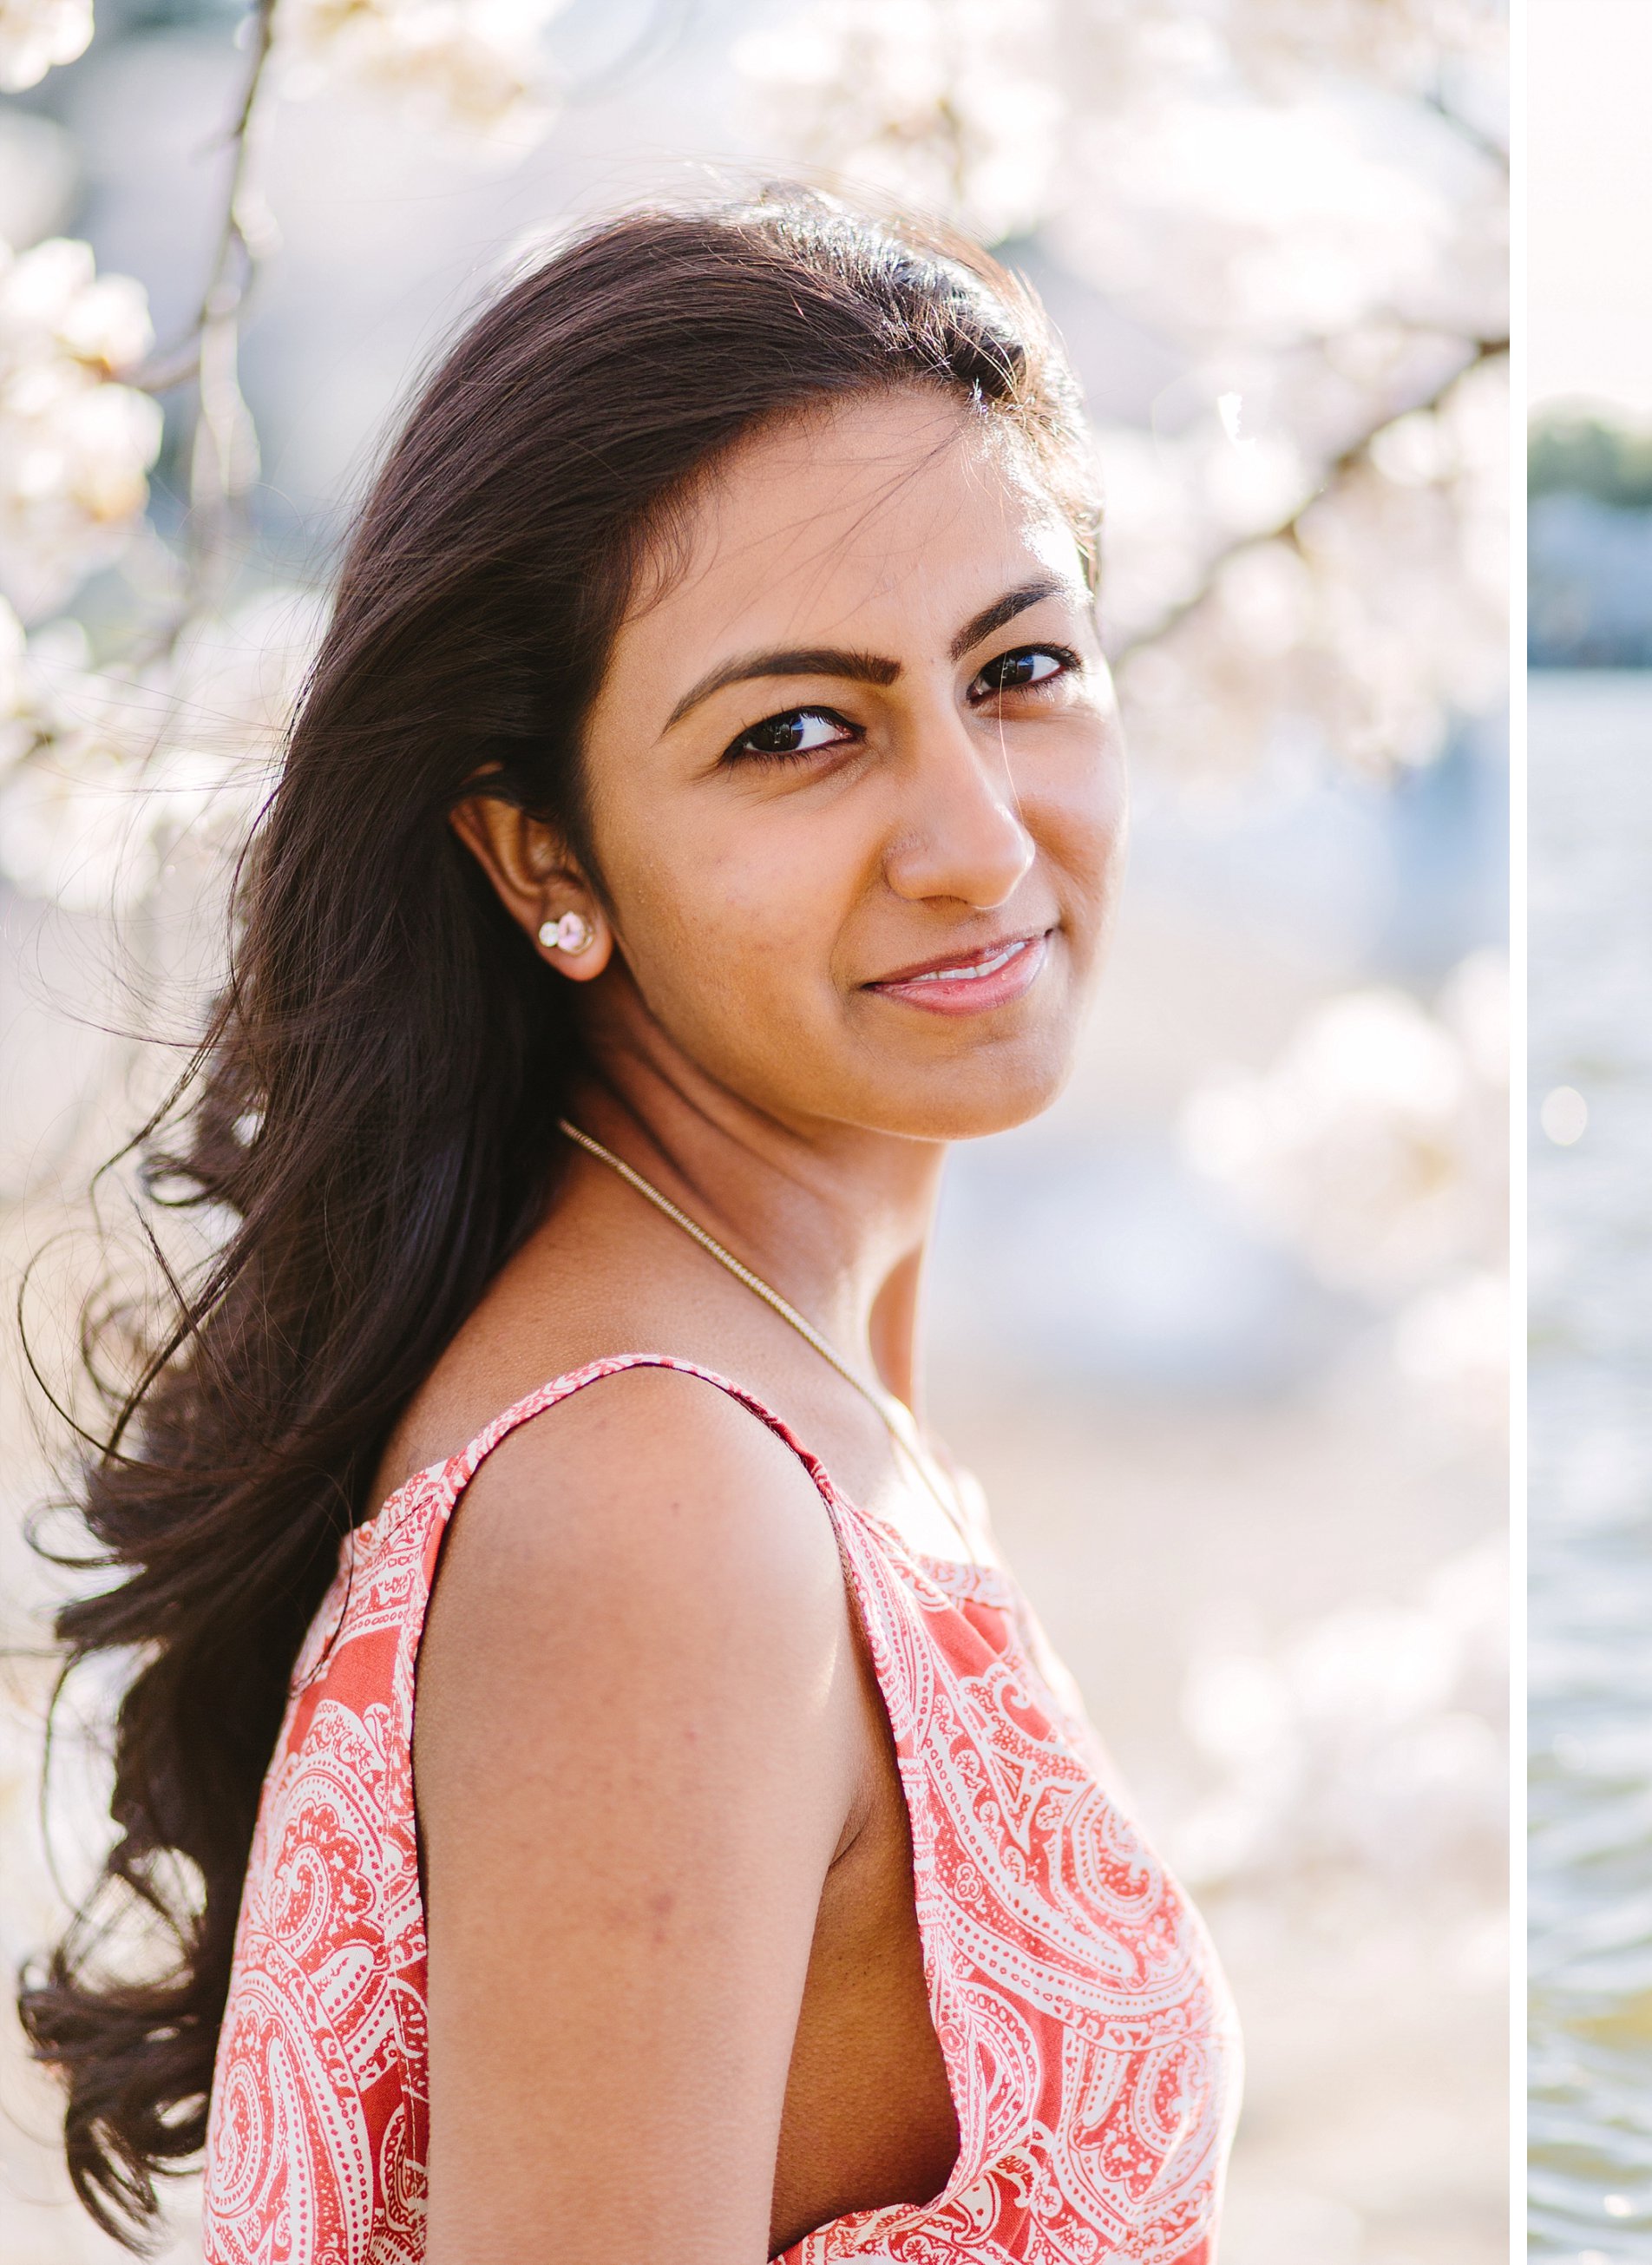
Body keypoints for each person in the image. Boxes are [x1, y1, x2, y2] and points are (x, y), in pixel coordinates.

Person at [21, 194, 1236, 2265]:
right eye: (795, 732)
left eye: (1021, 667)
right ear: (537, 850)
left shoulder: (789, 1356)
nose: (974, 837)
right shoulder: (657, 1503)